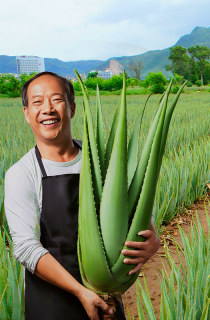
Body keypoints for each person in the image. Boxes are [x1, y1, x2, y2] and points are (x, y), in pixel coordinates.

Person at [4, 71, 160, 320]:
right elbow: (25, 248)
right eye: (37, 102)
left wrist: (153, 241)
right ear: (26, 113)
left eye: (57, 99)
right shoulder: (21, 174)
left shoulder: (102, 162)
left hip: (108, 298)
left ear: (72, 107)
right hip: (52, 305)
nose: (48, 109)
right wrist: (81, 292)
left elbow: (136, 208)